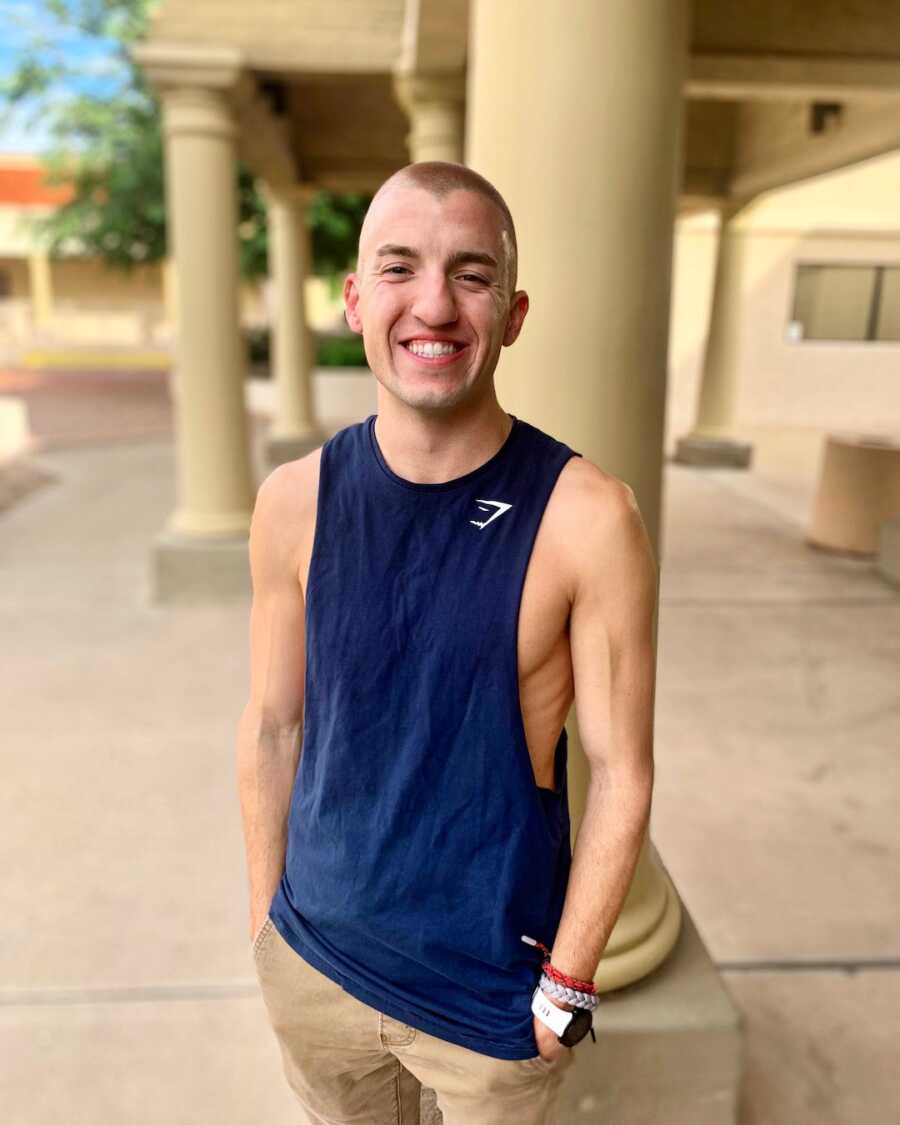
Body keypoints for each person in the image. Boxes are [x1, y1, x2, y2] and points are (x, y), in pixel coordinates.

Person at [237, 160, 657, 1124]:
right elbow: (271, 724)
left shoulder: (588, 516)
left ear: (512, 312)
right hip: (317, 970)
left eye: (471, 274)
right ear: (353, 299)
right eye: (400, 268)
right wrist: (269, 931)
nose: (435, 303)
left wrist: (570, 984)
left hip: (491, 1000)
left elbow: (621, 768)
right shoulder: (294, 500)